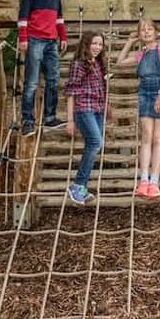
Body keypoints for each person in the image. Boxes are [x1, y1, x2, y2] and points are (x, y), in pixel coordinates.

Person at [116, 19, 160, 200]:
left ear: (157, 32)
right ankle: (143, 180)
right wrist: (129, 42)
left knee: (158, 138)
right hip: (144, 92)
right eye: (142, 30)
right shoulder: (142, 53)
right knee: (146, 137)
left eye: (150, 29)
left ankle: (154, 182)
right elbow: (120, 62)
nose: (146, 32)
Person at [18, 0, 68, 135]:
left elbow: (59, 15)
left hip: (51, 41)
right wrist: (23, 37)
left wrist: (62, 36)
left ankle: (49, 118)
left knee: (53, 80)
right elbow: (23, 13)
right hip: (34, 39)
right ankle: (27, 120)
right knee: (31, 82)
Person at [65, 31, 109, 205]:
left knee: (96, 144)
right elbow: (71, 92)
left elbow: (100, 88)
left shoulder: (98, 63)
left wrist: (107, 106)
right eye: (94, 43)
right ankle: (77, 185)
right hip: (84, 110)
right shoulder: (79, 65)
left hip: (97, 109)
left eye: (100, 44)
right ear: (86, 44)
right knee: (95, 143)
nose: (98, 47)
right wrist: (70, 120)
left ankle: (81, 188)